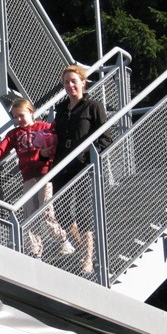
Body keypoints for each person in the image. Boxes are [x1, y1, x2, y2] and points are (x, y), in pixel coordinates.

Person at [0, 98, 74, 258]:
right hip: (28, 178)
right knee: (30, 215)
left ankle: (63, 240)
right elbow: (0, 149)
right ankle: (35, 253)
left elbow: (56, 144)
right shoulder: (14, 134)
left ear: (31, 112)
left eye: (21, 115)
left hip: (45, 175)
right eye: (15, 117)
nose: (18, 119)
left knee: (46, 212)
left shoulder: (44, 127)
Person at [51, 64, 111, 275]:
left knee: (84, 213)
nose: (70, 85)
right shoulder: (60, 109)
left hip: (84, 167)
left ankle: (88, 258)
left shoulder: (93, 106)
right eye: (66, 82)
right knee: (61, 212)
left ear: (83, 83)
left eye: (74, 81)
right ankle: (83, 249)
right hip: (62, 166)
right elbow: (55, 136)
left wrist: (89, 155)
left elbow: (106, 138)